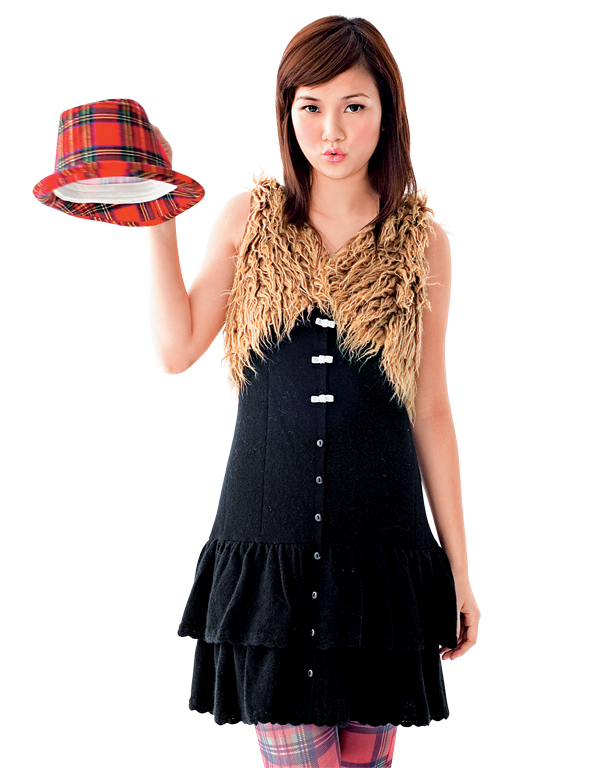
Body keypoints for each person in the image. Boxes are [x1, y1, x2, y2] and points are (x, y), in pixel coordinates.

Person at [147, 15, 480, 768]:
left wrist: (459, 571)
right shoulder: (250, 221)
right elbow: (175, 348)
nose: (331, 129)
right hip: (272, 555)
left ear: (387, 111)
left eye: (354, 105)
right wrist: (155, 215)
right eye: (311, 106)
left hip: (381, 563)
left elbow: (431, 408)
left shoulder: (421, 243)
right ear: (287, 110)